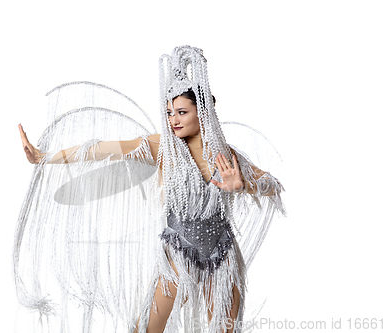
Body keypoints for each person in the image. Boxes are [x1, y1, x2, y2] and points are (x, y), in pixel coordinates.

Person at [16, 46, 285, 333]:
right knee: (147, 329)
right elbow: (100, 149)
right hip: (178, 254)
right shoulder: (163, 148)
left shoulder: (224, 154)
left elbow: (273, 185)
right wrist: (45, 157)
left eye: (182, 112)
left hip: (222, 255)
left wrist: (244, 185)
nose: (174, 120)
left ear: (203, 112)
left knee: (227, 329)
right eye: (169, 112)